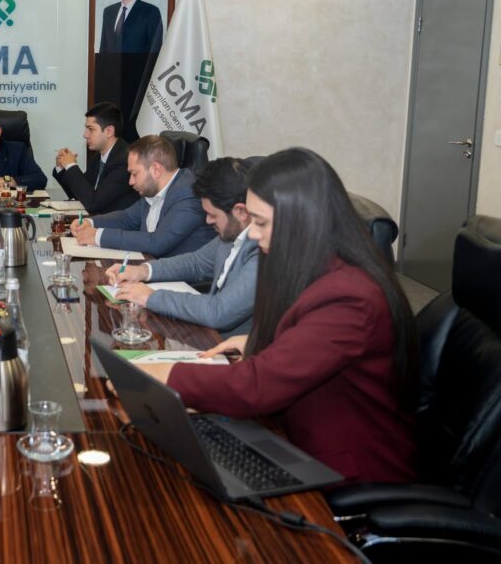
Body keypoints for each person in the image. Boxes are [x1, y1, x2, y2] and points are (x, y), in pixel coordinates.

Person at [132, 148, 418, 484]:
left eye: (262, 223)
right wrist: (262, 342)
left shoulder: (350, 296)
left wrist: (165, 374)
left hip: (344, 469)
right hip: (293, 434)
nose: (252, 234)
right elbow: (311, 343)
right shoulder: (317, 266)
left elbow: (256, 386)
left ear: (302, 220)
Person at [105, 157, 259, 336]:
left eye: (213, 215)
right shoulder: (232, 231)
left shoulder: (262, 249)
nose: (208, 221)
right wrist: (142, 271)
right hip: (206, 333)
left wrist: (151, 297)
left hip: (230, 346)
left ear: (241, 212)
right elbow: (196, 262)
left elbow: (218, 311)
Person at [70, 135, 213, 258]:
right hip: (151, 265)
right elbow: (127, 218)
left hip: (182, 279)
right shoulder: (155, 189)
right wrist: (90, 223)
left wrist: (97, 236)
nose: (130, 181)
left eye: (135, 174)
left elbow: (157, 243)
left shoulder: (189, 194)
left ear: (156, 170)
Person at [53, 101, 138, 215]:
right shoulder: (98, 156)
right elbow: (79, 195)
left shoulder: (124, 160)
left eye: (91, 129)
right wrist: (63, 168)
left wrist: (71, 166)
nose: (85, 135)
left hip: (116, 224)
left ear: (109, 131)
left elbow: (93, 203)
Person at [99, 0, 163, 55]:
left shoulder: (151, 11)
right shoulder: (108, 12)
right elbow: (104, 46)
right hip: (111, 63)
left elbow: (155, 49)